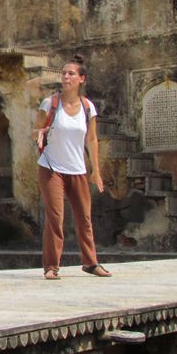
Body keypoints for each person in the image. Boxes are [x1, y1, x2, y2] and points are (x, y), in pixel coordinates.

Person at [32, 55, 111, 281]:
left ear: (81, 79)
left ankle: (90, 262)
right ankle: (51, 266)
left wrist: (96, 171)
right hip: (51, 167)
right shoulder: (50, 104)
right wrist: (39, 135)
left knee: (84, 217)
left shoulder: (88, 107)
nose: (66, 77)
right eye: (64, 73)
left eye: (71, 74)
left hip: (77, 168)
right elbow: (35, 130)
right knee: (55, 217)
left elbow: (92, 140)